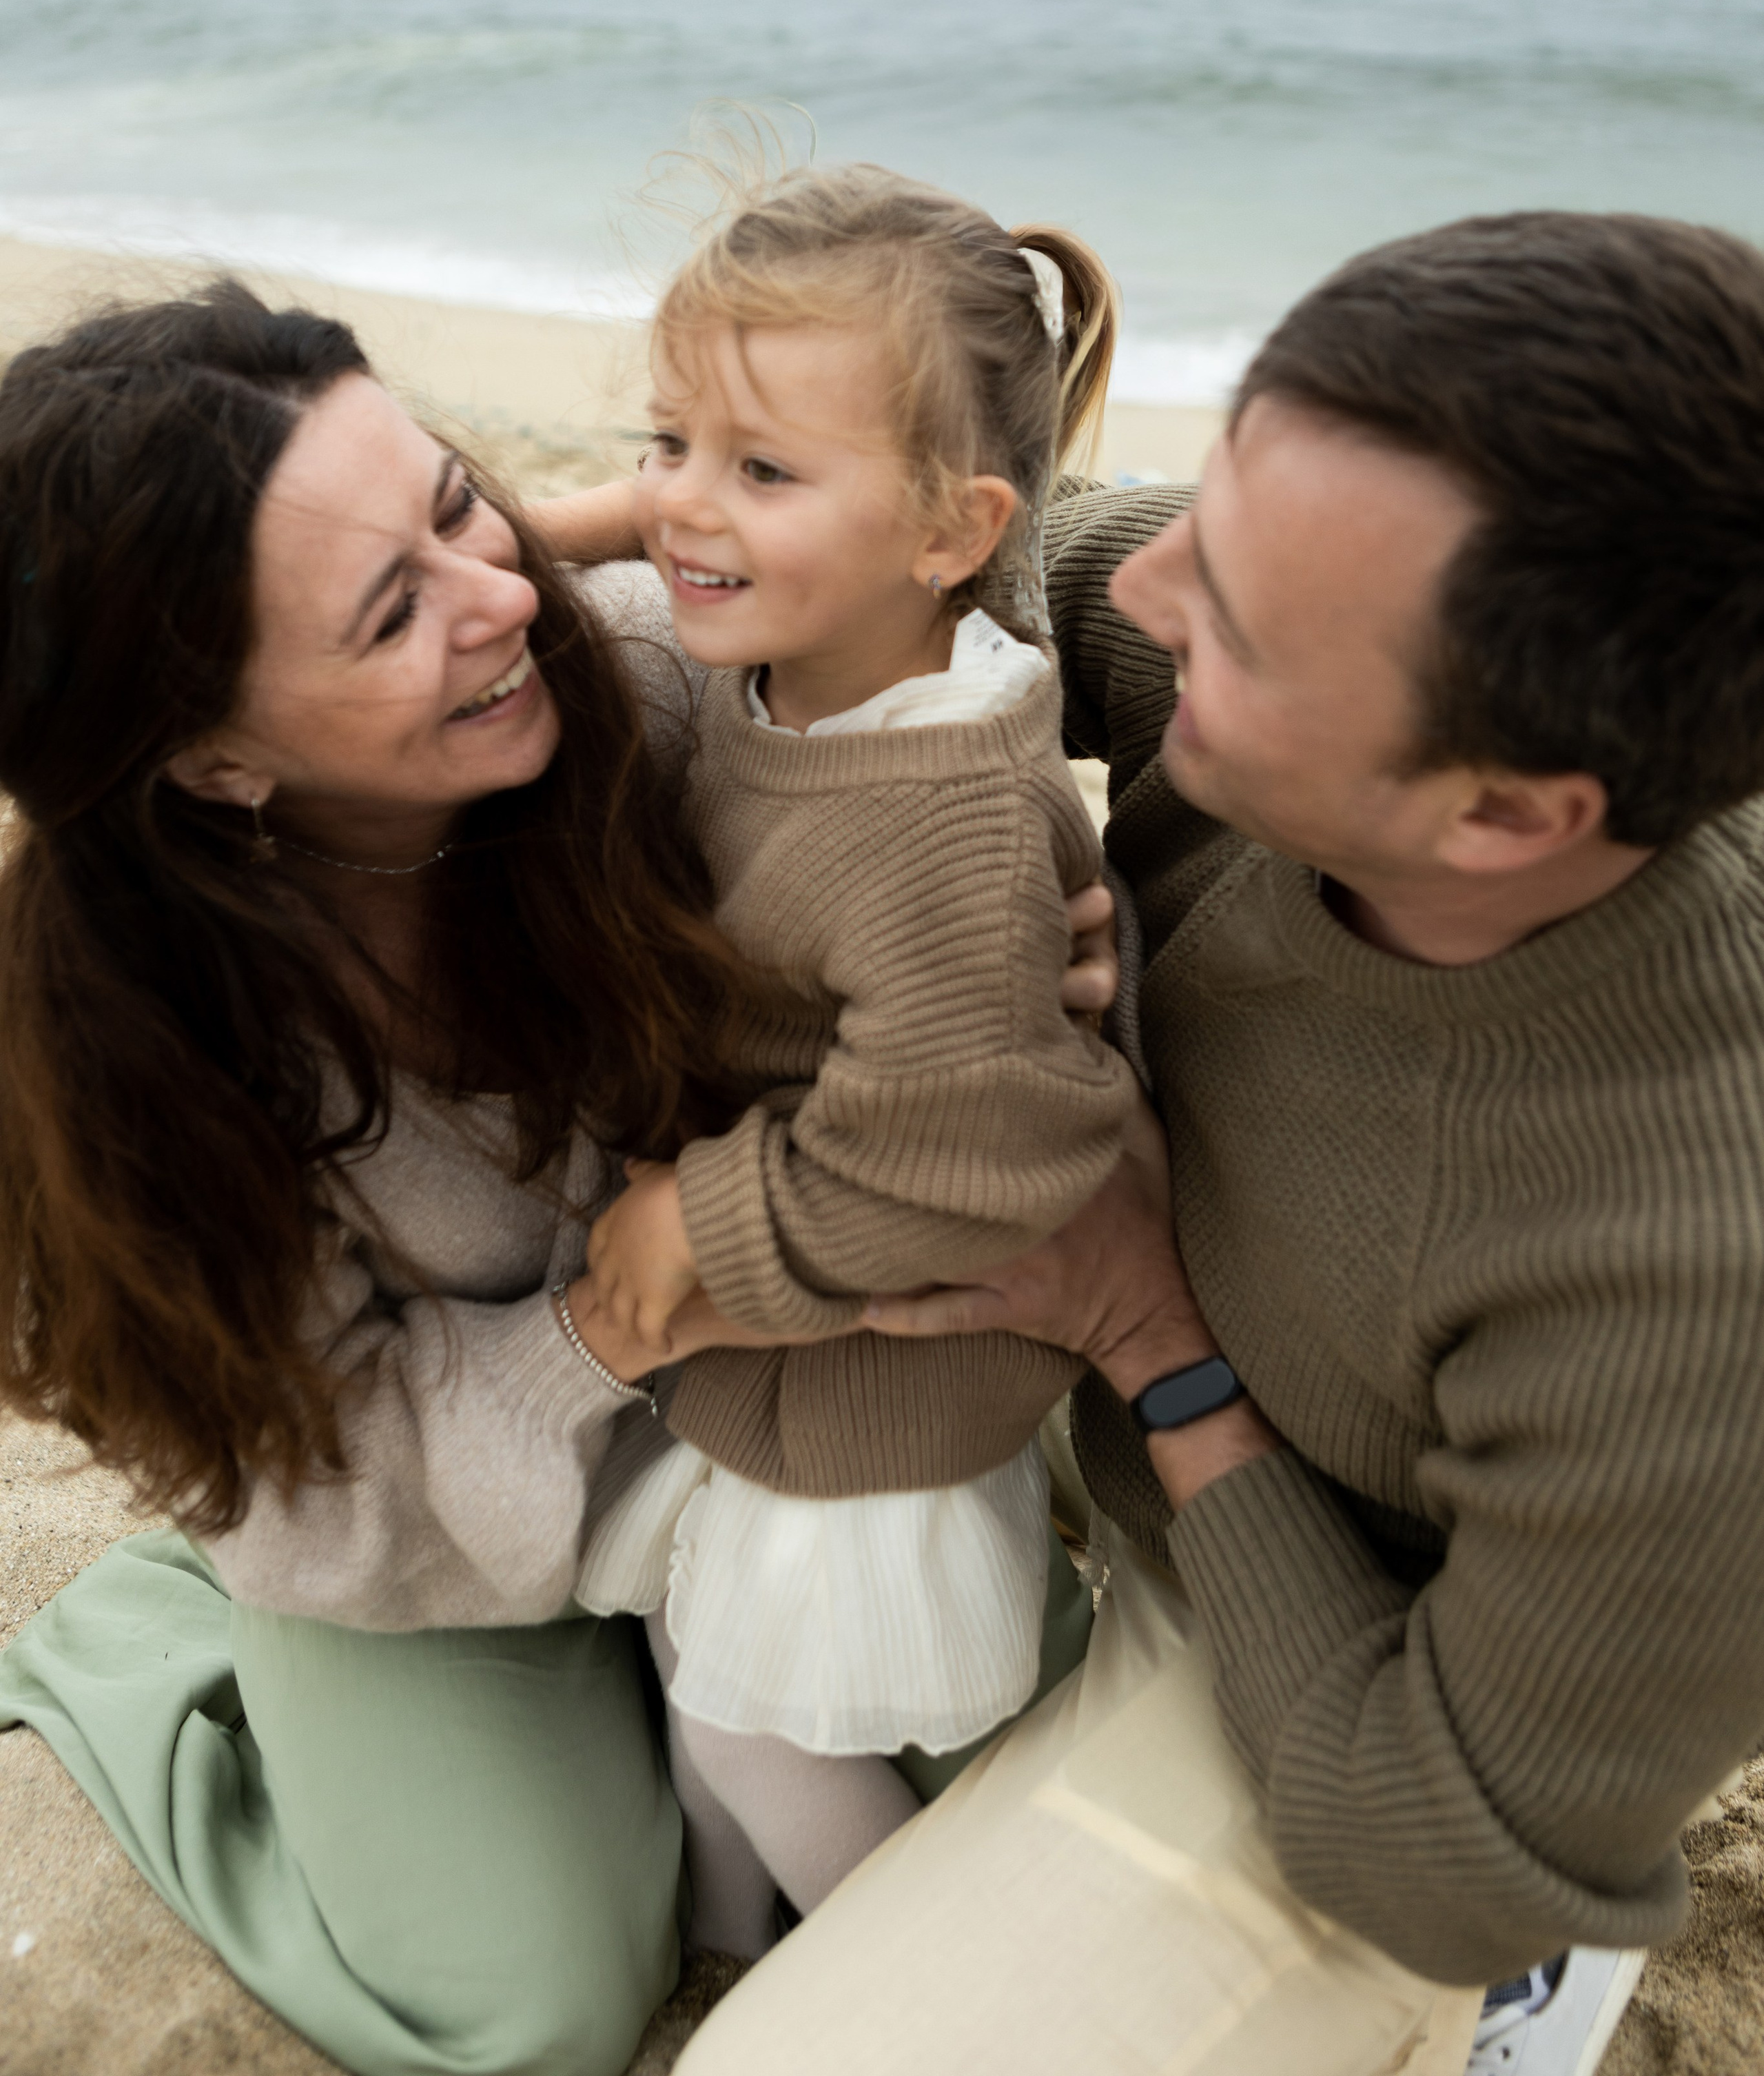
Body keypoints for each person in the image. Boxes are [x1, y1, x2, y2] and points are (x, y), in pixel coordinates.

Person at [675, 211, 1764, 2076]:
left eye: (1238, 618)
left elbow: (1451, 1861)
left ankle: (1501, 2024)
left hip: (1344, 1654)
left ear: (1504, 816)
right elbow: (1017, 551)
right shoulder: (1322, 642)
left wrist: (1153, 1339)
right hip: (1111, 1388)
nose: (1154, 588)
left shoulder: (1689, 1281)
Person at [0, 281, 1105, 2076]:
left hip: (789, 1397)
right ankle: (154, 1647)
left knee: (1004, 1748)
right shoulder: (134, 1056)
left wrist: (1019, 954)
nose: (503, 598)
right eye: (393, 611)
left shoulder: (674, 682)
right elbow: (317, 1489)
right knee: (533, 2007)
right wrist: (615, 1324)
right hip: (401, 1502)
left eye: (461, 506)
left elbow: (970, 608)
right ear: (216, 757)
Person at [548, 165, 1139, 1953]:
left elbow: (950, 1162)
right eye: (669, 442)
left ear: (953, 531)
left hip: (878, 1364)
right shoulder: (816, 663)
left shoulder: (943, 812)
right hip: (793, 1336)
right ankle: (727, 1954)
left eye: (762, 470)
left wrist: (704, 1225)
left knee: (759, 1720)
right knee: (697, 1653)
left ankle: (896, 1998)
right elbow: (676, 520)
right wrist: (582, 522)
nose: (681, 507)